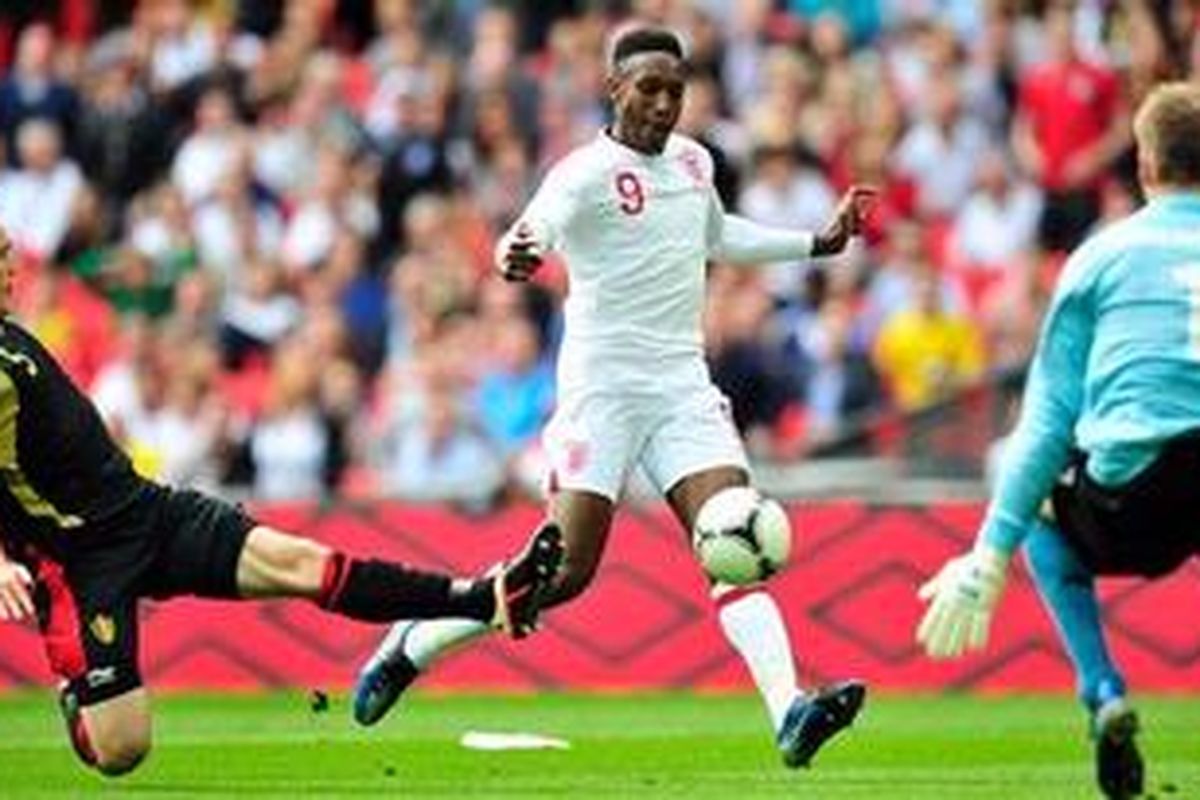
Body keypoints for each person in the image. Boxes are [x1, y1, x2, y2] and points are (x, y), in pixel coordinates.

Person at [354, 26, 876, 769]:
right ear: (614, 89)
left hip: (681, 387)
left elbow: (718, 236)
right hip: (601, 391)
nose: (664, 105)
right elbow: (524, 236)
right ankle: (416, 640)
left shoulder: (695, 161)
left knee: (733, 539)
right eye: (650, 89)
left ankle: (789, 709)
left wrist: (816, 244)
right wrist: (517, 255)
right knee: (562, 576)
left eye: (675, 90)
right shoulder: (582, 174)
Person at [0, 227, 564, 777]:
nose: (10, 270)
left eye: (7, 254)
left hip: (149, 512)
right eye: (0, 258)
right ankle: (79, 693)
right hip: (80, 563)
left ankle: (481, 598)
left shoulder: (12, 337)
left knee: (302, 564)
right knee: (122, 750)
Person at [915, 82, 1200, 800]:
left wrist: (990, 550)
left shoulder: (1100, 259)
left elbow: (1046, 421)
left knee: (1040, 500)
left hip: (1133, 487)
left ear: (1141, 165)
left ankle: (1100, 688)